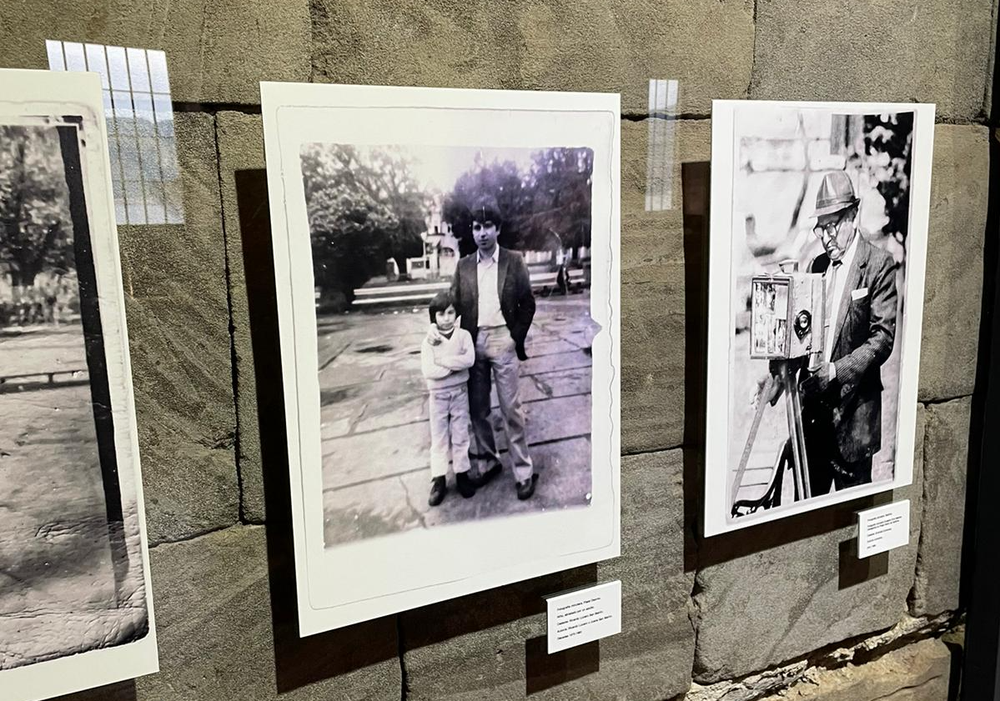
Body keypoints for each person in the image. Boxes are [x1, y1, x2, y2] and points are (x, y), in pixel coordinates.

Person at [794, 170, 898, 495]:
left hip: (854, 421)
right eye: (820, 228)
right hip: (814, 419)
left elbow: (882, 339)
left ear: (853, 215)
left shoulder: (879, 265)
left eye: (833, 226)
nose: (826, 237)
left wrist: (836, 371)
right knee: (804, 517)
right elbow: (802, 332)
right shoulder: (816, 267)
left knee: (852, 520)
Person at [431, 196, 539, 500]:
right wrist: (438, 333)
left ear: (498, 229)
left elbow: (528, 304)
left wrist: (513, 337)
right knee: (478, 410)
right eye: (477, 227)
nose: (482, 233)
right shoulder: (464, 265)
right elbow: (452, 306)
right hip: (473, 343)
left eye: (487, 226)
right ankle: (490, 462)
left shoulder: (513, 261)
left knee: (510, 409)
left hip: (503, 340)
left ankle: (523, 471)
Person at [420, 291, 477, 506]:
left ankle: (462, 473)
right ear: (433, 317)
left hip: (460, 393)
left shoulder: (464, 336)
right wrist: (454, 366)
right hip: (438, 395)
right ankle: (439, 478)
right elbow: (429, 371)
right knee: (439, 437)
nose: (446, 318)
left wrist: (443, 360)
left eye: (450, 313)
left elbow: (469, 360)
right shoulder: (428, 342)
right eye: (441, 314)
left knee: (461, 434)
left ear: (456, 314)